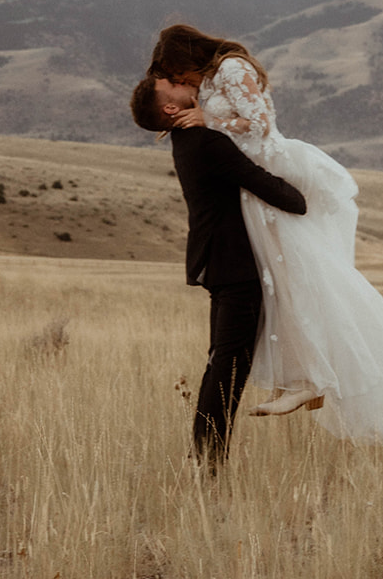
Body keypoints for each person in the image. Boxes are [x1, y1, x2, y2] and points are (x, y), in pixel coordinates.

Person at [145, 23, 383, 445]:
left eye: (175, 73)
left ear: (186, 58)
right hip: (248, 187)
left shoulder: (231, 69)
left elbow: (259, 123)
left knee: (292, 274)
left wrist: (209, 119)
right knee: (282, 279)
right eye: (173, 80)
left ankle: (309, 375)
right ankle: (302, 376)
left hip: (272, 163)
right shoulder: (208, 92)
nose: (180, 82)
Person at [129, 74, 308, 467]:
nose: (177, 81)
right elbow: (272, 190)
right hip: (235, 264)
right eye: (169, 84)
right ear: (170, 109)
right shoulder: (206, 142)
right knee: (228, 367)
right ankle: (208, 461)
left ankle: (205, 458)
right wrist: (305, 193)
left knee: (221, 363)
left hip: (220, 261)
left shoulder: (187, 140)